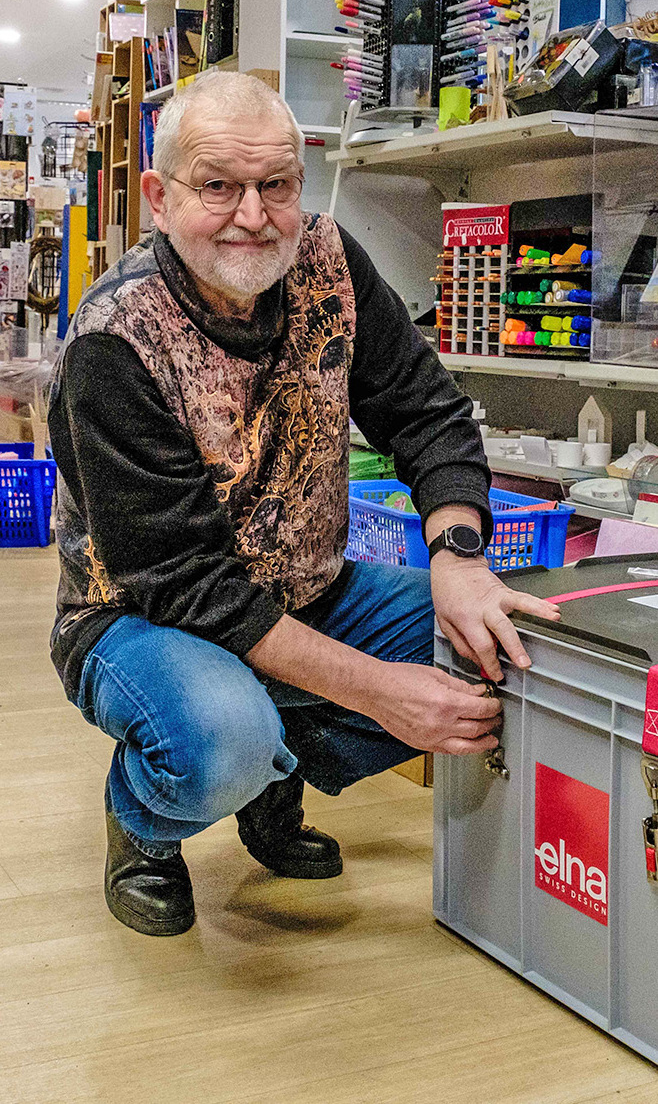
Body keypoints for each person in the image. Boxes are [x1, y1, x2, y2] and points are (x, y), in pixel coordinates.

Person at [48, 72, 559, 937]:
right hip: (140, 621)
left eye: (276, 183)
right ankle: (146, 816)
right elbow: (189, 589)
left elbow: (427, 411)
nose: (254, 213)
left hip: (313, 589)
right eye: (218, 185)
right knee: (222, 740)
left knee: (503, 640)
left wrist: (462, 558)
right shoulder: (112, 343)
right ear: (158, 196)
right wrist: (382, 692)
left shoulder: (330, 262)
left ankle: (273, 771)